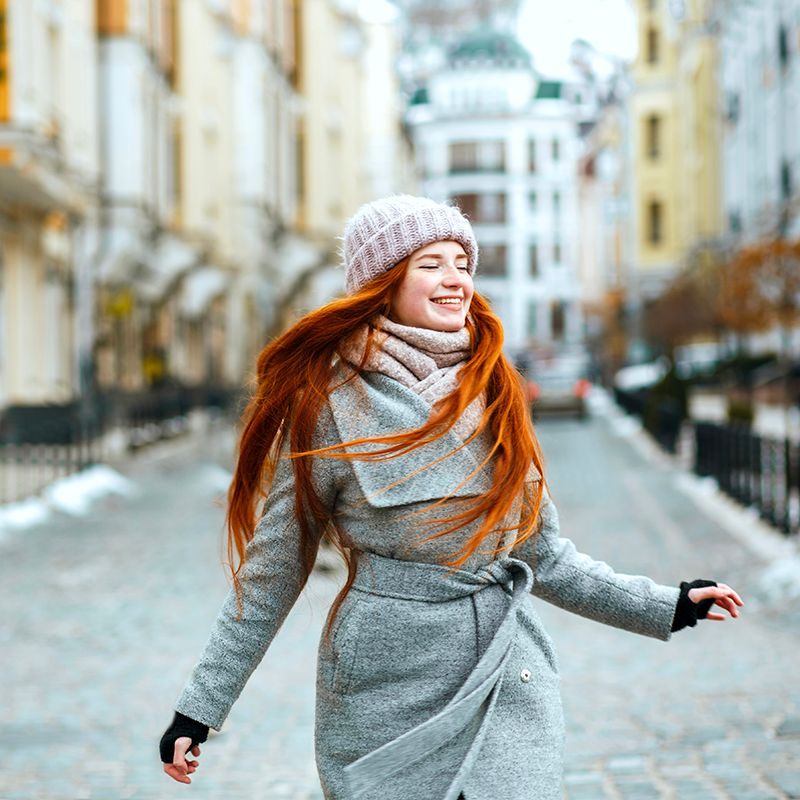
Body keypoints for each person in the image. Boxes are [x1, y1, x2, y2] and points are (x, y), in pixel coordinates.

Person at [159, 196, 742, 800]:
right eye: (430, 264)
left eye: (463, 262)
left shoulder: (497, 390)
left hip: (503, 674)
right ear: (384, 284)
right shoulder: (329, 403)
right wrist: (200, 708)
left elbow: (544, 555)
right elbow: (274, 569)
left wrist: (664, 604)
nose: (455, 279)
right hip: (385, 683)